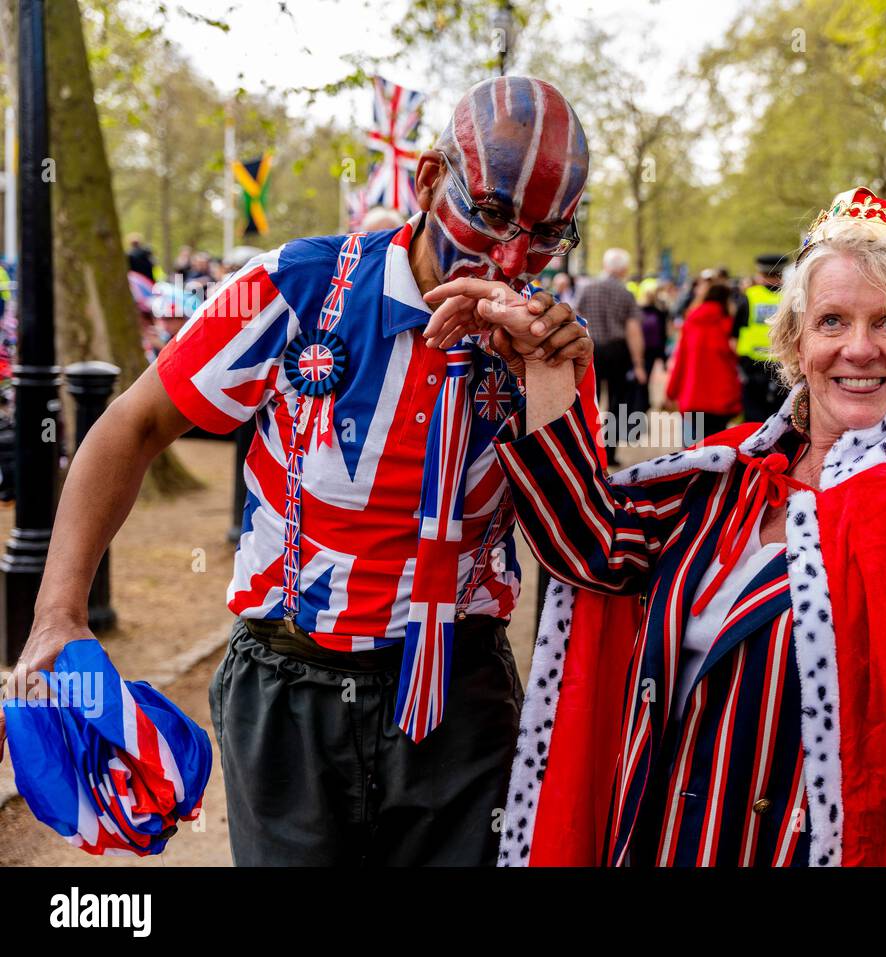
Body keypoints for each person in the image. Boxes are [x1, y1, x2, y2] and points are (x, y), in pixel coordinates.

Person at [0, 76, 598, 866]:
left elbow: (583, 547)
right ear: (425, 181)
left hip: (462, 703)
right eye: (490, 213)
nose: (516, 257)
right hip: (289, 689)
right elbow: (134, 423)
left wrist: (550, 381)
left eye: (550, 233)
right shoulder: (296, 287)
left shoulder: (553, 347)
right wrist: (57, 613)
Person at [469, 186, 886, 867]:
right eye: (833, 321)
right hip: (665, 838)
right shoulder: (730, 473)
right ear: (793, 339)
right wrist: (546, 366)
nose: (859, 348)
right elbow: (593, 548)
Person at [575, 247, 646, 466]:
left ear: (606, 266)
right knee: (616, 403)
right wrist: (639, 363)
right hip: (618, 351)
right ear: (623, 269)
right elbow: (633, 329)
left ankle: (588, 451)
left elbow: (576, 320)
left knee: (588, 400)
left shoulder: (588, 289)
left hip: (590, 349)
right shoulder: (625, 293)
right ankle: (609, 452)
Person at [666, 281, 742, 444]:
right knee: (716, 448)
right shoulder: (728, 325)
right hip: (721, 397)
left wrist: (671, 391)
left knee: (690, 453)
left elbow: (680, 361)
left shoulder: (691, 322)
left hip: (692, 395)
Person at [734, 253, 787, 422]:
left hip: (752, 367)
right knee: (779, 419)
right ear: (781, 273)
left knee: (753, 420)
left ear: (760, 273)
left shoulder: (748, 297)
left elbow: (734, 334)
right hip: (783, 366)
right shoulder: (790, 297)